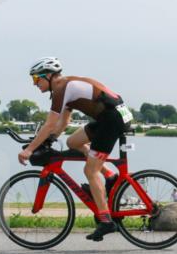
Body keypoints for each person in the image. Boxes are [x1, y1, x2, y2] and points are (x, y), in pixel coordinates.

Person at [18, 57, 133, 241]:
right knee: (73, 142)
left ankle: (106, 220)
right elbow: (63, 122)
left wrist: (30, 149)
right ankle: (110, 177)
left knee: (90, 170)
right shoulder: (65, 87)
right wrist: (51, 140)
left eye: (35, 79)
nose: (34, 84)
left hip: (111, 119)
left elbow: (49, 124)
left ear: (47, 75)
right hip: (109, 116)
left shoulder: (61, 89)